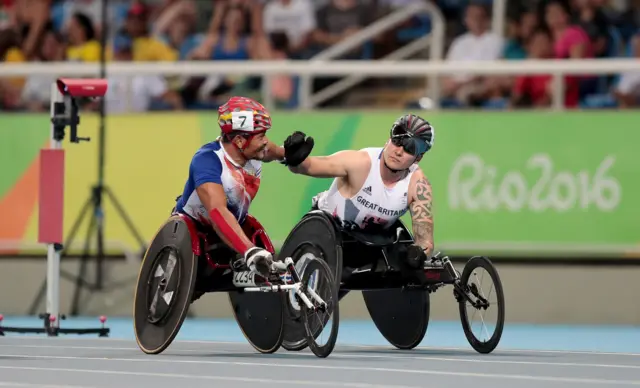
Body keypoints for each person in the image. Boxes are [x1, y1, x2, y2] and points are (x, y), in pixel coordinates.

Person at [174, 96, 313, 277]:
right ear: (239, 141)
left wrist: (289, 154)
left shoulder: (256, 150)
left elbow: (278, 153)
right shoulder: (207, 160)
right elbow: (217, 212)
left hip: (233, 228)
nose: (266, 142)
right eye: (261, 136)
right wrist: (249, 250)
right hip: (193, 231)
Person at [286, 113, 435, 268]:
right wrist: (294, 158)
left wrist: (417, 254)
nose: (398, 151)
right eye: (397, 140)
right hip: (325, 235)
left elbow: (425, 242)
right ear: (389, 139)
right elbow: (308, 166)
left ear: (418, 158)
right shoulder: (360, 162)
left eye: (409, 148)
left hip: (369, 247)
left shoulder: (418, 185)